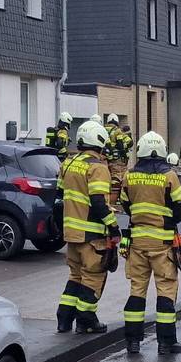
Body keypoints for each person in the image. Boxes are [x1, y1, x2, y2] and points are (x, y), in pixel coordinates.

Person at [119, 131, 181, 355]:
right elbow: (179, 210)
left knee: (137, 289)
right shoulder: (169, 176)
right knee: (166, 290)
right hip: (162, 244)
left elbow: (125, 204)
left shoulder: (129, 176)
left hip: (137, 243)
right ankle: (166, 343)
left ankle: (132, 342)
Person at [54, 120, 120, 334]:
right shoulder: (97, 167)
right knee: (93, 276)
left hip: (72, 233)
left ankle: (64, 320)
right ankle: (86, 320)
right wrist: (113, 227)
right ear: (99, 141)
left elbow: (59, 197)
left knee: (75, 275)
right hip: (92, 234)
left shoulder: (68, 163)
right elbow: (98, 203)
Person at [105, 114, 133, 208]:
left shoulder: (103, 129)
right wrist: (124, 155)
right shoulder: (117, 131)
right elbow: (121, 144)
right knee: (117, 179)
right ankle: (113, 203)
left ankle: (109, 201)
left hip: (105, 159)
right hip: (117, 160)